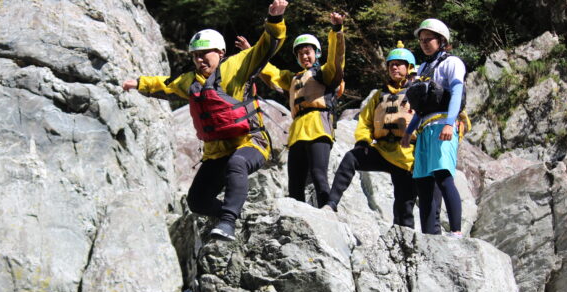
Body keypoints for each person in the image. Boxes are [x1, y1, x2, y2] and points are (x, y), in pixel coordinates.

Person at [122, 0, 289, 241]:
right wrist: (139, 83)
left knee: (237, 163)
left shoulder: (238, 65)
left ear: (220, 53)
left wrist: (275, 20)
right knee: (197, 200)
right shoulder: (190, 81)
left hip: (251, 142)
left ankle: (228, 223)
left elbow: (267, 46)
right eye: (195, 56)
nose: (200, 60)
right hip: (216, 152)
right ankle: (233, 214)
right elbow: (165, 85)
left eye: (204, 54)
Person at [324, 42, 441, 232]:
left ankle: (410, 241)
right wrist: (363, 140)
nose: (394, 67)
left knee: (403, 207)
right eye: (391, 64)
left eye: (399, 64)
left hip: (408, 155)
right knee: (351, 157)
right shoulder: (379, 96)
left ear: (409, 68)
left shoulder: (420, 92)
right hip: (383, 150)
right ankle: (331, 203)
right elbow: (365, 121)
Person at [262, 13, 346, 207]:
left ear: (317, 53)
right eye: (300, 54)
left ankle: (327, 210)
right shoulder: (292, 78)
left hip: (318, 127)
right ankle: (298, 216)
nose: (304, 56)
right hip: (297, 132)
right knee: (295, 183)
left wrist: (337, 31)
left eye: (308, 52)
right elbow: (271, 73)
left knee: (318, 175)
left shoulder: (324, 73)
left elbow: (337, 59)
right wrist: (251, 54)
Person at [401, 18, 465, 238]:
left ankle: (456, 232)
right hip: (424, 129)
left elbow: (456, 92)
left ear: (441, 40)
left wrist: (449, 123)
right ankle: (429, 236)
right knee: (423, 182)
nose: (424, 44)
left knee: (443, 175)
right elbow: (421, 107)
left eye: (429, 39)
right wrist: (408, 132)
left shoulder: (451, 63)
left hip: (442, 124)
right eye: (421, 40)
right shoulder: (423, 68)